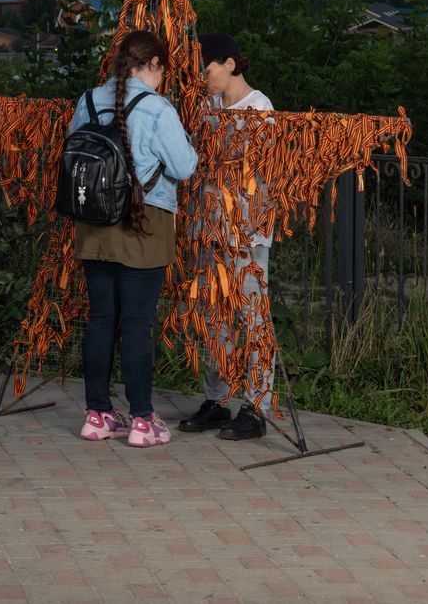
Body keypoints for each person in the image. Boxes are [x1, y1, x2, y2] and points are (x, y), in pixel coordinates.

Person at [71, 30, 198, 447]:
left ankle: (98, 415)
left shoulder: (87, 101)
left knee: (101, 320)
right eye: (164, 70)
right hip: (143, 224)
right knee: (138, 325)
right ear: (155, 65)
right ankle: (142, 420)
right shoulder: (158, 109)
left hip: (92, 224)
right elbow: (183, 166)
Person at [179, 32, 275, 441]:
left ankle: (257, 408)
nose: (203, 78)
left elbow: (257, 173)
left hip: (247, 235)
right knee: (214, 319)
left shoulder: (260, 109)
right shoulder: (206, 106)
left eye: (208, 69)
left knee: (251, 320)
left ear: (231, 64)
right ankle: (216, 402)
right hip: (209, 230)